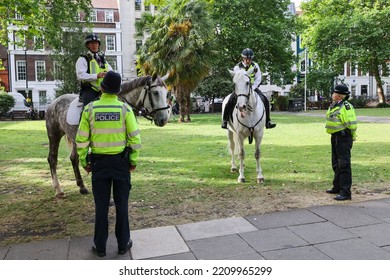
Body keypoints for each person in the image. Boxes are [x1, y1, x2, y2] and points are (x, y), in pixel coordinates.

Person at [75, 71, 141, 257]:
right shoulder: (125, 110)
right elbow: (135, 139)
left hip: (98, 165)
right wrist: (133, 161)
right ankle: (122, 244)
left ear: (102, 88)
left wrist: (84, 161)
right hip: (121, 164)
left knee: (101, 207)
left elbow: (81, 140)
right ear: (118, 91)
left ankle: (100, 246)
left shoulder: (89, 109)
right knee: (122, 206)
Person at [221, 48, 276, 129]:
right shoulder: (237, 67)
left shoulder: (255, 66)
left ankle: (267, 121)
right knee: (229, 101)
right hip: (240, 90)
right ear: (243, 58)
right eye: (247, 59)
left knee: (265, 100)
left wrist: (252, 88)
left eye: (250, 59)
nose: (248, 61)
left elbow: (258, 78)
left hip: (253, 88)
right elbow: (236, 79)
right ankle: (225, 120)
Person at [325, 84, 357, 201]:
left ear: (339, 96)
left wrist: (351, 137)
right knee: (336, 163)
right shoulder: (335, 105)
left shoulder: (346, 107)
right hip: (335, 137)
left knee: (344, 165)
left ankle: (345, 192)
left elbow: (351, 124)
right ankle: (337, 187)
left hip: (343, 137)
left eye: (334, 93)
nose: (332, 94)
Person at [76, 33, 112, 108]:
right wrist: (97, 76)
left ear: (99, 45)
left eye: (96, 43)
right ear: (88, 45)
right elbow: (80, 76)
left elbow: (111, 71)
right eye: (92, 43)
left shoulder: (102, 59)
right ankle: (82, 119)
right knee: (87, 109)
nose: (94, 45)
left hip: (103, 90)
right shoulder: (83, 59)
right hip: (89, 90)